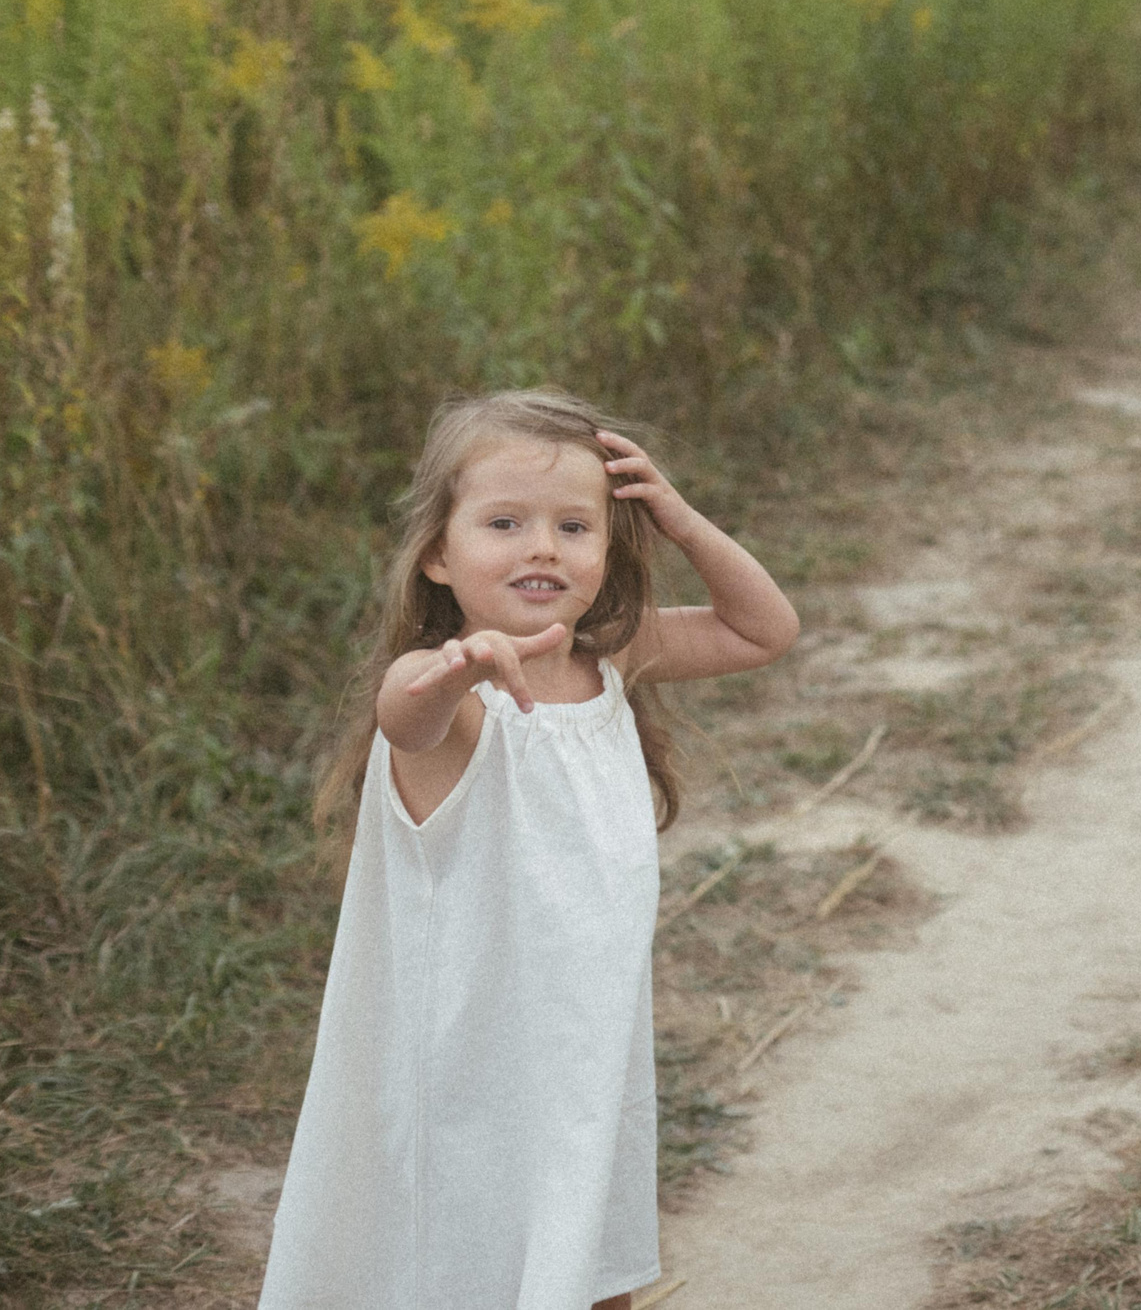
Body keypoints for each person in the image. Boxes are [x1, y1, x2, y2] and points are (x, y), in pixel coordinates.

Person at [258, 388, 800, 1310]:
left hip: (582, 1050)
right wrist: (459, 666)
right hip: (471, 1063)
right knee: (469, 1256)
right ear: (437, 552)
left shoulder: (610, 660)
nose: (542, 546)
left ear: (608, 547)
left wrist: (679, 520)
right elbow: (406, 716)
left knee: (585, 1256)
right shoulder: (443, 686)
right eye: (504, 521)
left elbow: (763, 628)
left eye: (574, 526)